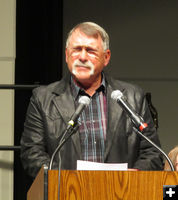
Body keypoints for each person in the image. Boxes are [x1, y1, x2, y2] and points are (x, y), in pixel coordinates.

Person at [20, 22, 164, 178]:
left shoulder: (133, 97)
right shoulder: (43, 98)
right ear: (67, 55)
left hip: (121, 192)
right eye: (76, 50)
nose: (82, 57)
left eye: (90, 51)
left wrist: (133, 177)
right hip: (66, 193)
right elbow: (31, 153)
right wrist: (67, 181)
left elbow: (152, 152)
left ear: (106, 57)